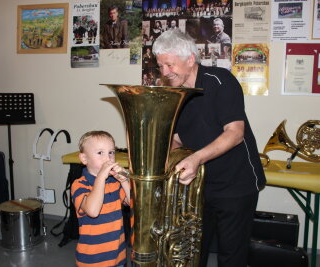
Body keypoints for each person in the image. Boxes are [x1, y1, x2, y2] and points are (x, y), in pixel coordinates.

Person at [152, 29, 266, 267]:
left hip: (237, 183)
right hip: (201, 184)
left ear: (190, 60)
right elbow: (177, 139)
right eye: (160, 66)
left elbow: (235, 133)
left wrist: (196, 159)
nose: (164, 73)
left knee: (231, 255)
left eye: (170, 65)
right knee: (194, 249)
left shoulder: (220, 80)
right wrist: (160, 165)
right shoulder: (175, 92)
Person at [71, 131, 132, 267]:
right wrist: (100, 178)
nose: (108, 158)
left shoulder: (115, 183)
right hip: (92, 260)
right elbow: (92, 211)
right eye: (100, 153)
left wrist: (124, 181)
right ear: (84, 159)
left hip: (118, 257)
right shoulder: (79, 185)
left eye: (111, 152)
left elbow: (133, 204)